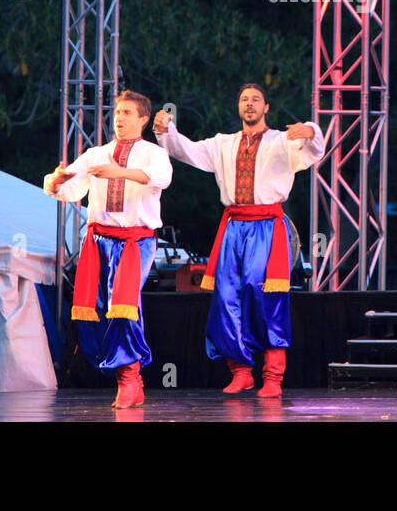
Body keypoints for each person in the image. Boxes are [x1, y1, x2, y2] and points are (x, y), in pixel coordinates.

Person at [153, 83, 324, 398]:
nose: (249, 104)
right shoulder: (223, 144)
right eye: (244, 99)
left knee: (264, 296)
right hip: (233, 227)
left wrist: (310, 131)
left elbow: (313, 151)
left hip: (267, 228)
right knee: (227, 298)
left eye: (256, 100)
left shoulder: (281, 141)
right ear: (238, 106)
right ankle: (241, 371)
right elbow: (185, 149)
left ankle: (273, 377)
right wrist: (166, 130)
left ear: (266, 107)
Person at [44, 90, 171, 409]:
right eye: (117, 112)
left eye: (128, 113)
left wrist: (119, 172)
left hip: (135, 241)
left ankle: (130, 379)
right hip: (98, 241)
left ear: (143, 119)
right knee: (96, 310)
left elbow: (160, 178)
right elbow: (71, 189)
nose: (120, 118)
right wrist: (56, 181)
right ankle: (123, 376)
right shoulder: (96, 154)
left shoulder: (153, 153)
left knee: (123, 305)